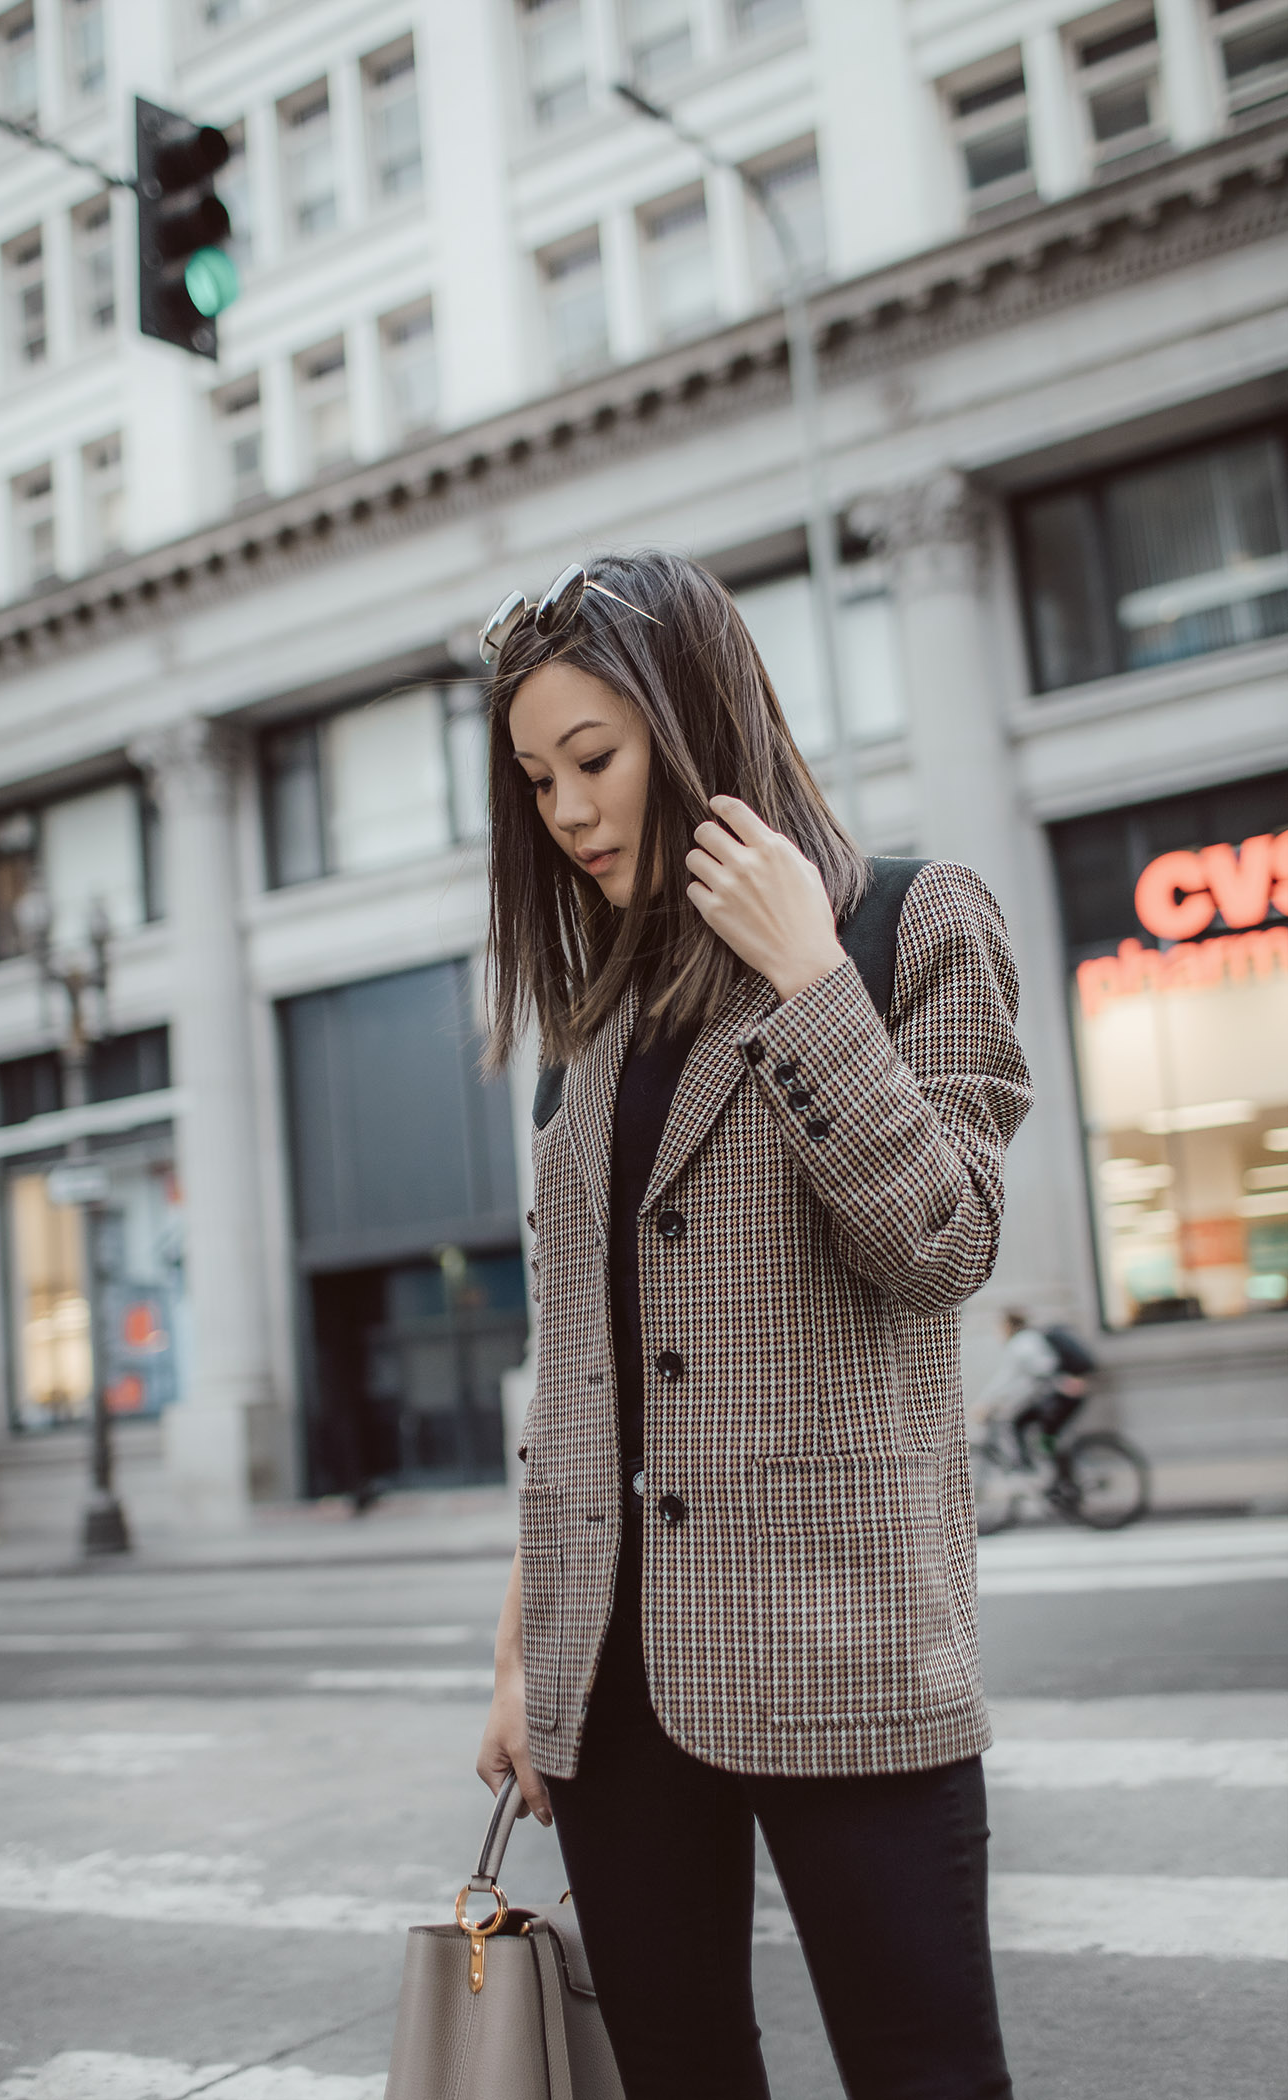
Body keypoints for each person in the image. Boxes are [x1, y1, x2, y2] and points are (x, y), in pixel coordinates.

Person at [474, 552, 1032, 2100]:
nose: (569, 812)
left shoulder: (913, 924)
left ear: (698, 721)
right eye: (536, 780)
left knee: (926, 2072)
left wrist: (807, 978)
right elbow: (576, 1390)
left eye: (596, 759)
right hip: (616, 1681)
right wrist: (526, 1661)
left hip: (845, 1650)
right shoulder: (584, 1041)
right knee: (676, 2069)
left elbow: (943, 1247)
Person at [982, 1308, 1089, 1468]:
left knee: (1030, 1429)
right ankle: (1053, 1475)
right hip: (1060, 1393)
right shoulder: (1030, 1339)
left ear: (1008, 1325)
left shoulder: (1021, 1343)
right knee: (1036, 1430)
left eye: (999, 1327)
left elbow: (1009, 1378)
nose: (997, 1332)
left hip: (1060, 1394)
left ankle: (1042, 1473)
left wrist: (986, 1403)